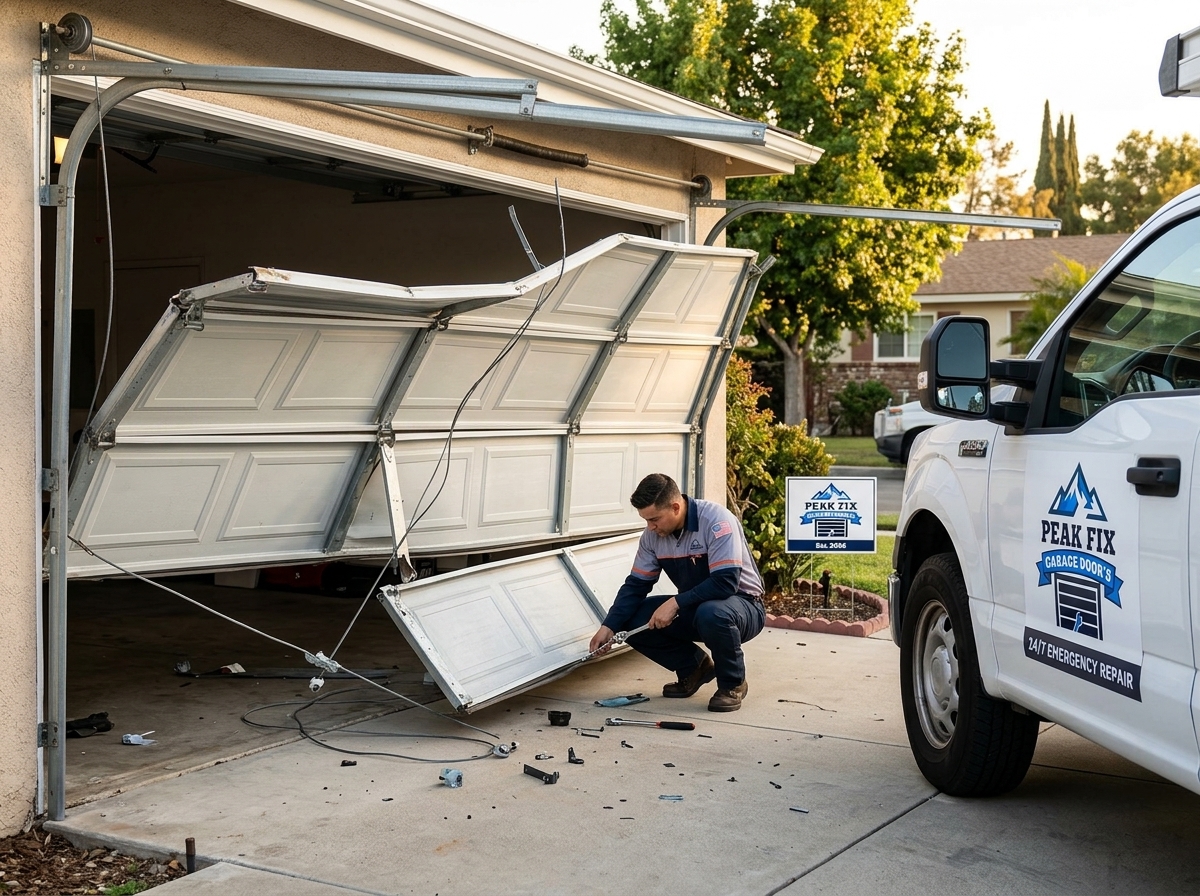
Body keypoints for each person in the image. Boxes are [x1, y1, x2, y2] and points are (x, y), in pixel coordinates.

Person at [588, 473, 766, 712]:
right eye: (646, 520)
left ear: (675, 507)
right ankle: (694, 668)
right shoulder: (652, 537)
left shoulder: (716, 521)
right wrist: (609, 626)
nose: (650, 527)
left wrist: (675, 603)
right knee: (630, 619)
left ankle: (732, 684)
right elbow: (636, 585)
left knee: (712, 612)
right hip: (696, 607)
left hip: (744, 606)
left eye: (654, 519)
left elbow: (725, 583)